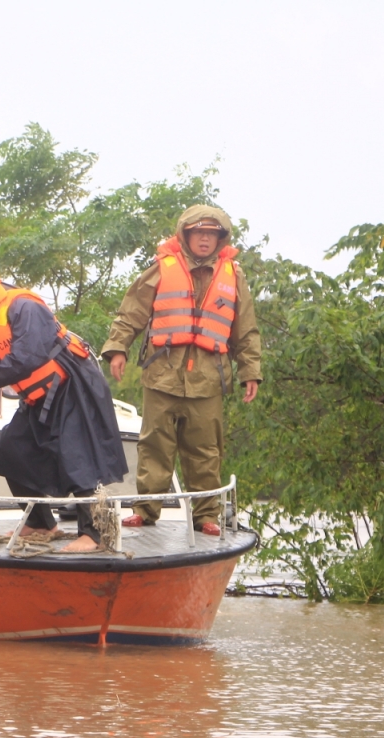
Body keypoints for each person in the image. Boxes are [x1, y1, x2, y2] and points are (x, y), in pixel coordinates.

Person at [0, 262, 128, 553]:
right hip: (38, 396)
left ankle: (97, 535)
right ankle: (40, 523)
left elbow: (30, 356)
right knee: (11, 451)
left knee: (79, 456)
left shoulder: (23, 307)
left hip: (72, 383)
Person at [100, 205, 262, 536]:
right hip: (162, 373)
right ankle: (145, 510)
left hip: (209, 379)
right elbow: (131, 312)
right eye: (198, 233)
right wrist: (117, 348)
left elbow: (245, 330)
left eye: (212, 234)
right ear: (185, 235)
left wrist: (250, 372)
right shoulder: (162, 268)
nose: (205, 239)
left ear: (220, 238)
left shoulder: (234, 275)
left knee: (205, 450)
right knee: (154, 444)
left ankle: (206, 516)